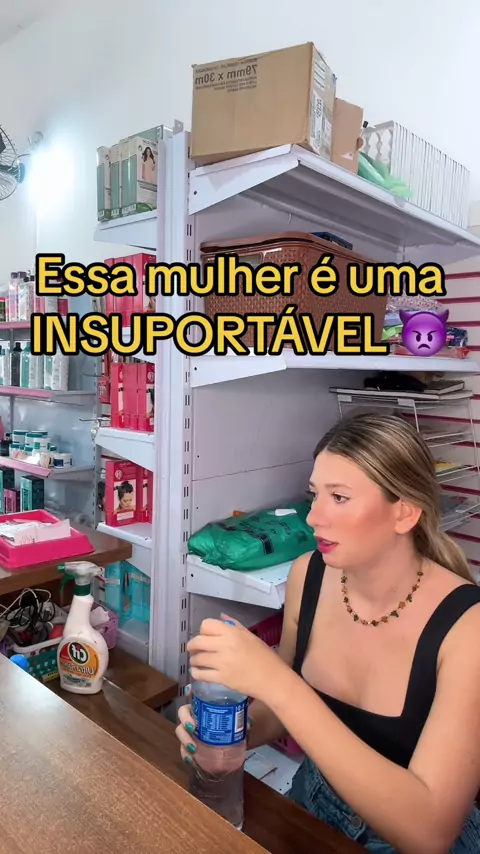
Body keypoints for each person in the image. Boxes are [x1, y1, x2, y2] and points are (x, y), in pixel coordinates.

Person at [176, 412, 480, 853]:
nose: (313, 517)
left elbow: (428, 833)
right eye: (314, 495)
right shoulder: (309, 576)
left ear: (404, 512)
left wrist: (278, 684)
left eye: (339, 497)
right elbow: (281, 712)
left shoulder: (467, 629)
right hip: (311, 806)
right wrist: (232, 735)